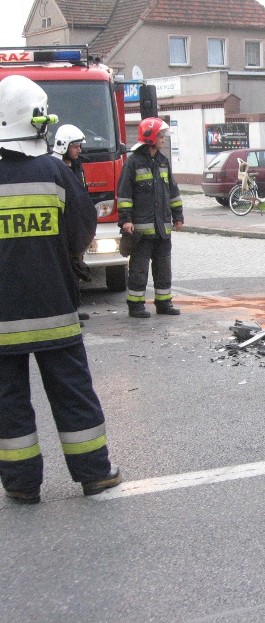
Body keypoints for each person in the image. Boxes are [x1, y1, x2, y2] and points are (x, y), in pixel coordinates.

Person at [0, 75, 121, 504]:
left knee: (8, 403)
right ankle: (94, 473)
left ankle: (21, 484)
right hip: (55, 308)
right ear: (37, 121)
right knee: (72, 393)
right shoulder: (54, 172)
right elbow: (84, 225)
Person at [117, 117, 184, 318]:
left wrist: (178, 215)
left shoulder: (163, 162)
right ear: (151, 137)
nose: (163, 139)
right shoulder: (133, 163)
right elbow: (124, 194)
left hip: (162, 229)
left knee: (164, 268)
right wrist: (126, 220)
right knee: (139, 269)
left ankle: (164, 303)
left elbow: (173, 191)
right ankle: (135, 305)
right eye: (161, 136)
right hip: (141, 231)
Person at [52, 124, 91, 321]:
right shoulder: (55, 168)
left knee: (75, 270)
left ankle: (74, 308)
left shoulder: (77, 167)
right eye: (75, 146)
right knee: (64, 272)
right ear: (64, 145)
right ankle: (67, 312)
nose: (79, 150)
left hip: (75, 228)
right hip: (61, 229)